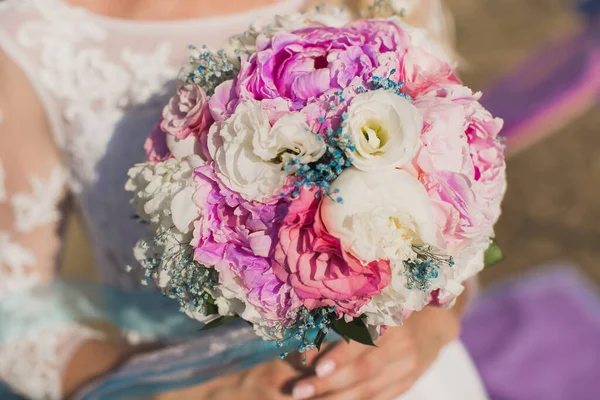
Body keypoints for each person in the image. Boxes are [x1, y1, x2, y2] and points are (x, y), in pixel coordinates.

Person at [0, 0, 488, 399]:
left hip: (393, 377)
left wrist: (433, 324)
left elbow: (463, 192)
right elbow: (12, 308)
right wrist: (210, 390)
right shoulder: (35, 37)